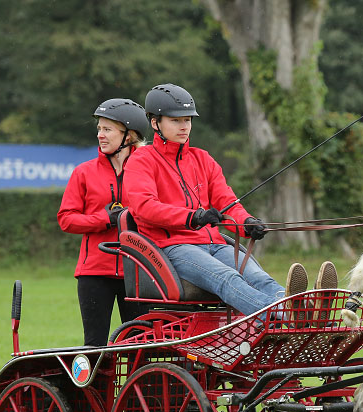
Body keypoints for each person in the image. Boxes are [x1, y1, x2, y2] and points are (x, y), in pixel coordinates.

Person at [122, 83, 336, 317]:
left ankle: (305, 312)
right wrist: (193, 217)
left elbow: (227, 200)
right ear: (155, 123)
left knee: (258, 277)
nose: (184, 127)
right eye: (176, 121)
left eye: (188, 120)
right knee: (227, 278)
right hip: (173, 247)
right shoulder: (142, 160)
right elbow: (144, 207)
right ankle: (286, 315)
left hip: (213, 243)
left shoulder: (202, 158)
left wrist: (246, 222)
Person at [57, 98, 149, 346]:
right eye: (99, 128)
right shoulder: (84, 172)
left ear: (128, 136)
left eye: (107, 129)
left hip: (139, 272)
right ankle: (94, 387)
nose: (100, 135)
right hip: (95, 273)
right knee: (94, 346)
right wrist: (105, 219)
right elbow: (66, 219)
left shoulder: (150, 170)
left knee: (140, 347)